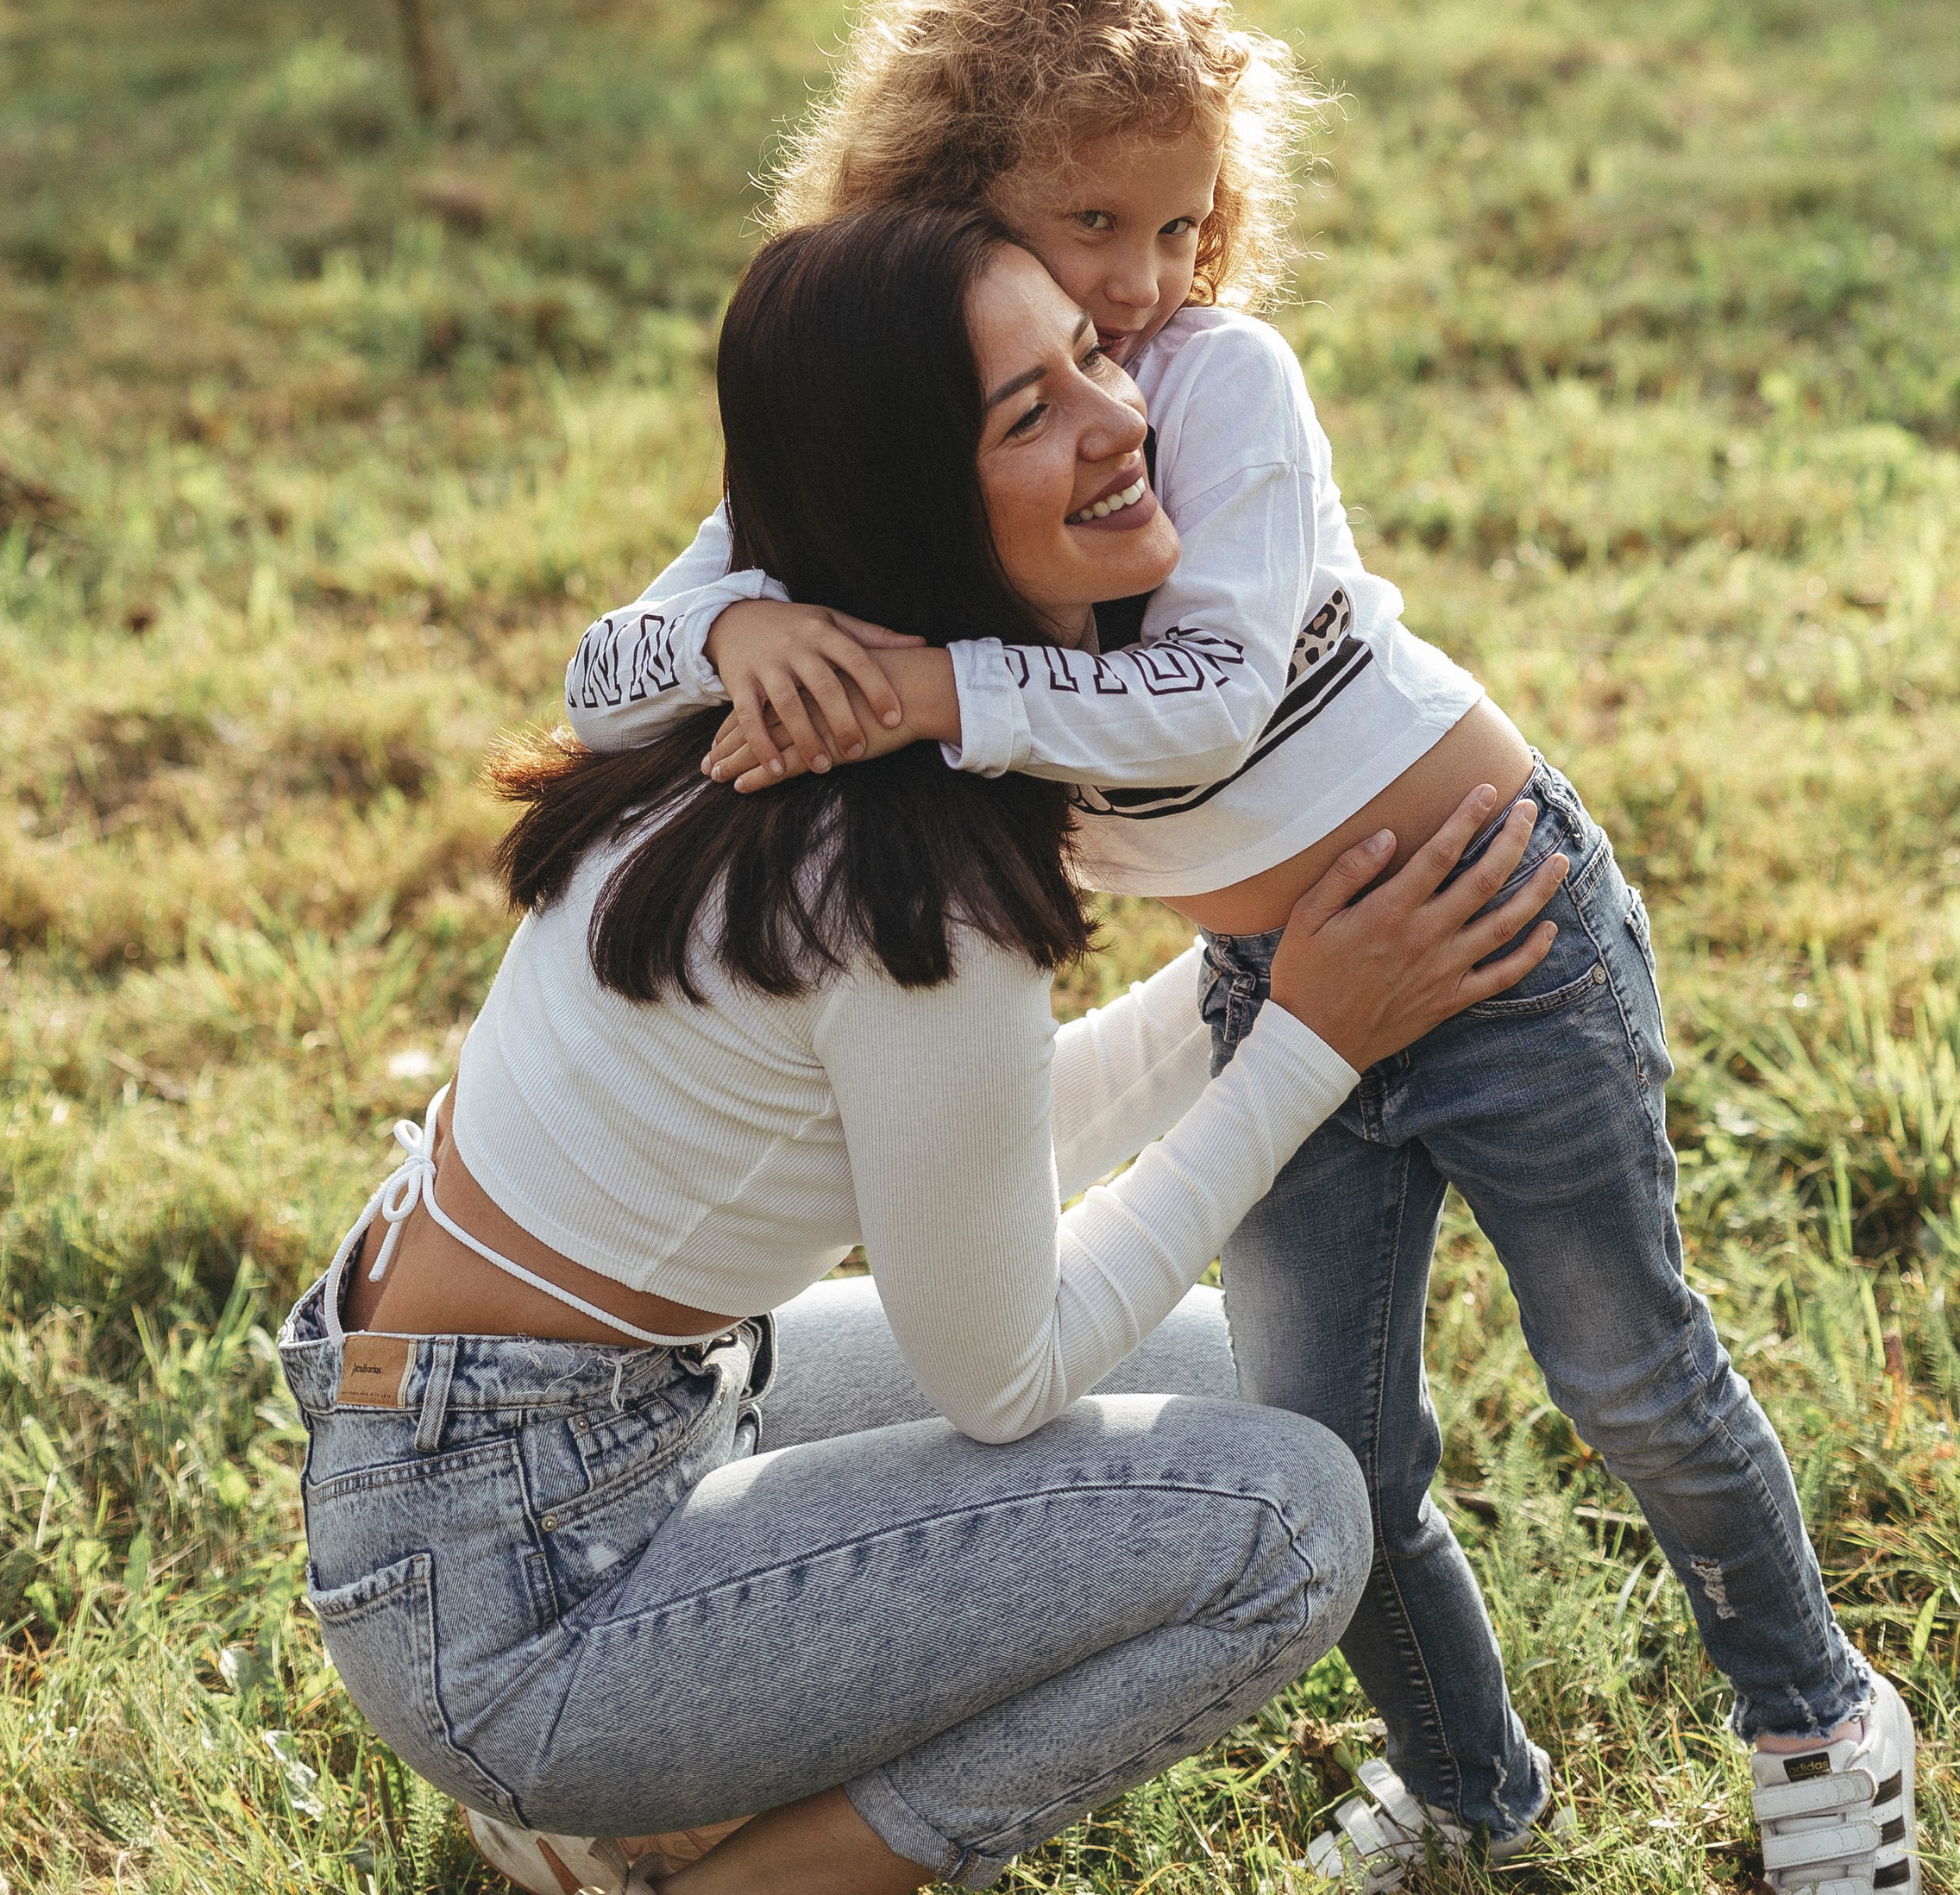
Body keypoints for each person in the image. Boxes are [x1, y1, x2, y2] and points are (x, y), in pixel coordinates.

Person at [564, 0, 1918, 1895]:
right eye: (1090, 222)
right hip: (1270, 986)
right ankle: (1468, 1791)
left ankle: (1817, 1731)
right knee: (1336, 1443)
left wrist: (939, 687)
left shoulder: (1214, 384)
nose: (1138, 282)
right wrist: (745, 614)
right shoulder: (914, 418)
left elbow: (1199, 695)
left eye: (1181, 227)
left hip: (1493, 928)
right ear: (951, 196)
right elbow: (606, 671)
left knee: (1625, 1372)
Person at [282, 204, 1570, 1895]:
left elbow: (954, 1176)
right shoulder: (899, 897)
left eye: (1091, 356)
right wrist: (1308, 1042)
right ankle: (717, 1864)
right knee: (1284, 1524)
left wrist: (1245, 987)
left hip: (554, 1437)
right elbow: (1002, 1369)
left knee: (1232, 1382)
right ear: (909, 503)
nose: (1118, 416)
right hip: (517, 1598)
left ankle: (632, 1789)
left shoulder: (776, 725)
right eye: (1024, 413)